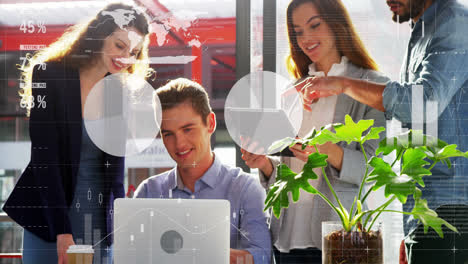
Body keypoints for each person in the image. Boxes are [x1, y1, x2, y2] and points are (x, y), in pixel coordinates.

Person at [295, 0, 468, 262]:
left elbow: (422, 104)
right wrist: (410, 229)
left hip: (451, 214)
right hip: (428, 216)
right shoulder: (423, 30)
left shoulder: (453, 22)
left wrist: (344, 84)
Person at [3, 3, 153, 264]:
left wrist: (120, 228)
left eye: (134, 52)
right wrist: (62, 231)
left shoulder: (120, 92)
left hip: (98, 218)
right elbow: (44, 160)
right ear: (98, 34)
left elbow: (116, 172)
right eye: (120, 46)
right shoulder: (48, 76)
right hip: (50, 216)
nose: (125, 57)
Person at [240, 0, 389, 263]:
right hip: (286, 238)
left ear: (337, 24)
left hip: (340, 237)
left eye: (314, 25)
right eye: (298, 32)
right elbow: (286, 171)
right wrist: (264, 163)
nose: (306, 38)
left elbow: (373, 169)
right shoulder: (291, 91)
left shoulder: (372, 86)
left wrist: (325, 150)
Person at [134, 78, 272, 264]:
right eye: (168, 134)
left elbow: (262, 257)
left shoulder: (245, 188)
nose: (179, 144)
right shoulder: (149, 192)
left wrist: (199, 251)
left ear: (210, 123)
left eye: (188, 129)